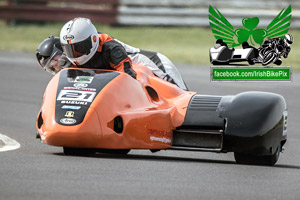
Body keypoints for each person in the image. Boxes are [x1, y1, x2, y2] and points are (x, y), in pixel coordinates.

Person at [59, 17, 187, 90]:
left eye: (79, 47)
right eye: (69, 49)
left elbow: (128, 80)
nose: (75, 54)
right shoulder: (68, 58)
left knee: (179, 94)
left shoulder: (111, 49)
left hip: (153, 63)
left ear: (93, 40)